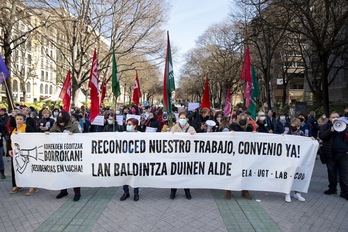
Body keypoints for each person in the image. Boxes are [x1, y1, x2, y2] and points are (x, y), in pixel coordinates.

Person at [50, 111, 82, 201]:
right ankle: (63, 191)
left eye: (61, 116)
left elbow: (80, 138)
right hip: (59, 153)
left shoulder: (73, 126)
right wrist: (48, 134)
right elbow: (51, 134)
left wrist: (73, 136)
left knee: (73, 173)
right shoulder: (55, 126)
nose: (59, 117)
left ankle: (77, 193)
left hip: (71, 154)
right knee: (61, 172)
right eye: (58, 116)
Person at [319, 111, 348, 201]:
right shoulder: (325, 126)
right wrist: (331, 130)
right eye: (333, 117)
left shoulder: (345, 126)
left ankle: (345, 192)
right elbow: (322, 136)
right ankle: (332, 189)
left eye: (337, 117)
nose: (335, 119)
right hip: (330, 154)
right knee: (331, 173)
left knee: (344, 174)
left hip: (343, 154)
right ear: (330, 119)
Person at [8, 113, 37, 195]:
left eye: (20, 119)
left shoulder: (27, 127)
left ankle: (33, 186)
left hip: (25, 153)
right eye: (17, 119)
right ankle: (18, 184)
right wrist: (9, 149)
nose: (18, 121)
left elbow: (33, 138)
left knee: (28, 169)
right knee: (15, 169)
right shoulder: (14, 129)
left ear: (24, 120)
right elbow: (9, 141)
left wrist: (22, 135)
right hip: (15, 153)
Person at [170, 111, 196, 199]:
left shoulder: (191, 128)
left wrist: (193, 136)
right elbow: (169, 139)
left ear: (187, 119)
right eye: (180, 118)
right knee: (175, 173)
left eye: (184, 118)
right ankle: (173, 191)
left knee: (186, 173)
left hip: (186, 156)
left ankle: (187, 191)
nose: (182, 119)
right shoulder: (174, 128)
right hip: (176, 155)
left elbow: (196, 142)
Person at [284, 118, 306, 203]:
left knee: (297, 175)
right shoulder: (288, 132)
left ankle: (297, 192)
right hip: (289, 157)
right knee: (289, 175)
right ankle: (287, 193)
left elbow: (306, 142)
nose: (294, 127)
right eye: (292, 125)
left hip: (298, 157)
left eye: (296, 125)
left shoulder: (301, 133)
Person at [120, 118, 140, 201]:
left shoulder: (140, 135)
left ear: (134, 126)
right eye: (127, 124)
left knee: (135, 176)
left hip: (135, 159)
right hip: (125, 159)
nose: (127, 126)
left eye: (129, 124)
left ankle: (136, 193)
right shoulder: (123, 134)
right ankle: (126, 192)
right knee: (125, 176)